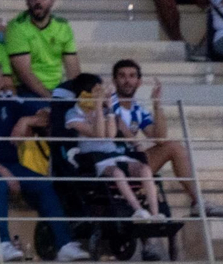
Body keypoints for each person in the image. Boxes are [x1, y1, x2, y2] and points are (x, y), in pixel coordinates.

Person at [0, 58, 86, 262]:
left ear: (2, 80)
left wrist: (26, 120)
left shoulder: (11, 103)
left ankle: (64, 244)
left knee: (44, 184)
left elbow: (46, 114)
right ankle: (3, 244)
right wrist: (3, 172)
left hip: (13, 165)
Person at [109, 58, 223, 218]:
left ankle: (197, 202)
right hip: (111, 162)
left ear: (139, 82)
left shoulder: (138, 109)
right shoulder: (108, 103)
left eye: (132, 76)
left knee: (174, 147)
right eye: (122, 76)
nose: (127, 81)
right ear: (114, 81)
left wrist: (157, 104)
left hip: (133, 160)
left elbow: (160, 139)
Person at [62, 72, 161, 221]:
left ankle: (155, 213)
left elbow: (111, 134)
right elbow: (99, 134)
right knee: (117, 173)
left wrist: (109, 110)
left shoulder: (104, 110)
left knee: (145, 169)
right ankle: (138, 209)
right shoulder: (72, 113)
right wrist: (96, 106)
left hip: (114, 154)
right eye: (97, 91)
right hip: (94, 158)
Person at [6, 0, 80, 98]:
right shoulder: (17, 27)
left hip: (57, 87)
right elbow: (24, 73)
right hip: (28, 89)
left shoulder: (63, 26)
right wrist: (50, 99)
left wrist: (76, 94)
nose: (38, 1)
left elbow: (73, 68)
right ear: (27, 0)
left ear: (52, 0)